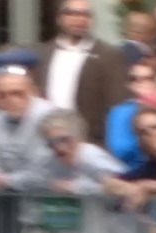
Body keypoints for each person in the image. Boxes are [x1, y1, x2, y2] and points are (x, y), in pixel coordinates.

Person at [34, 0, 128, 146]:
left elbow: (117, 103)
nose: (80, 19)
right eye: (72, 14)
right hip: (45, 139)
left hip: (88, 142)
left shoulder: (108, 55)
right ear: (59, 18)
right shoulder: (43, 52)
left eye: (86, 15)